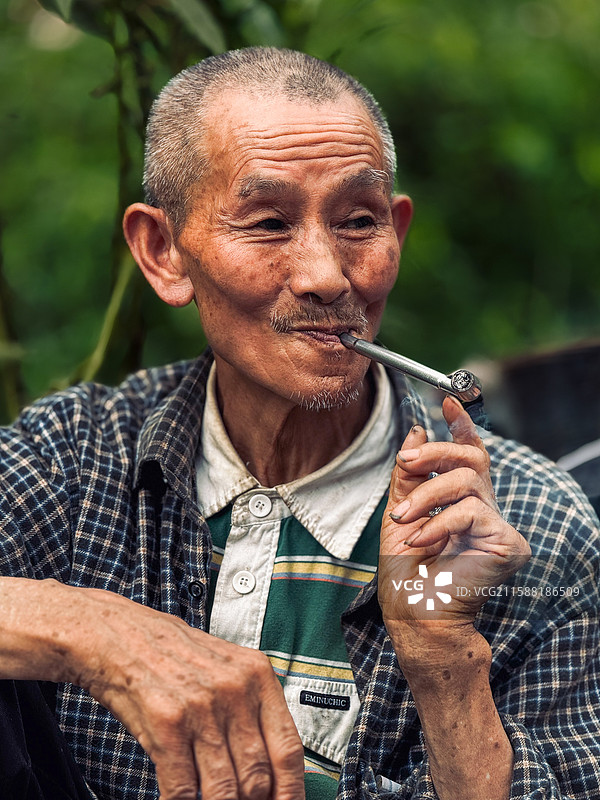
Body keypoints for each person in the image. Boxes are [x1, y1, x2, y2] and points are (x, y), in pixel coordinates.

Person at [0, 46, 599, 800]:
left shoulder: (526, 526)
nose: (325, 276)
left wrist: (442, 663)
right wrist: (97, 630)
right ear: (164, 253)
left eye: (357, 220)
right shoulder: (75, 462)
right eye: (269, 222)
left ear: (396, 233)